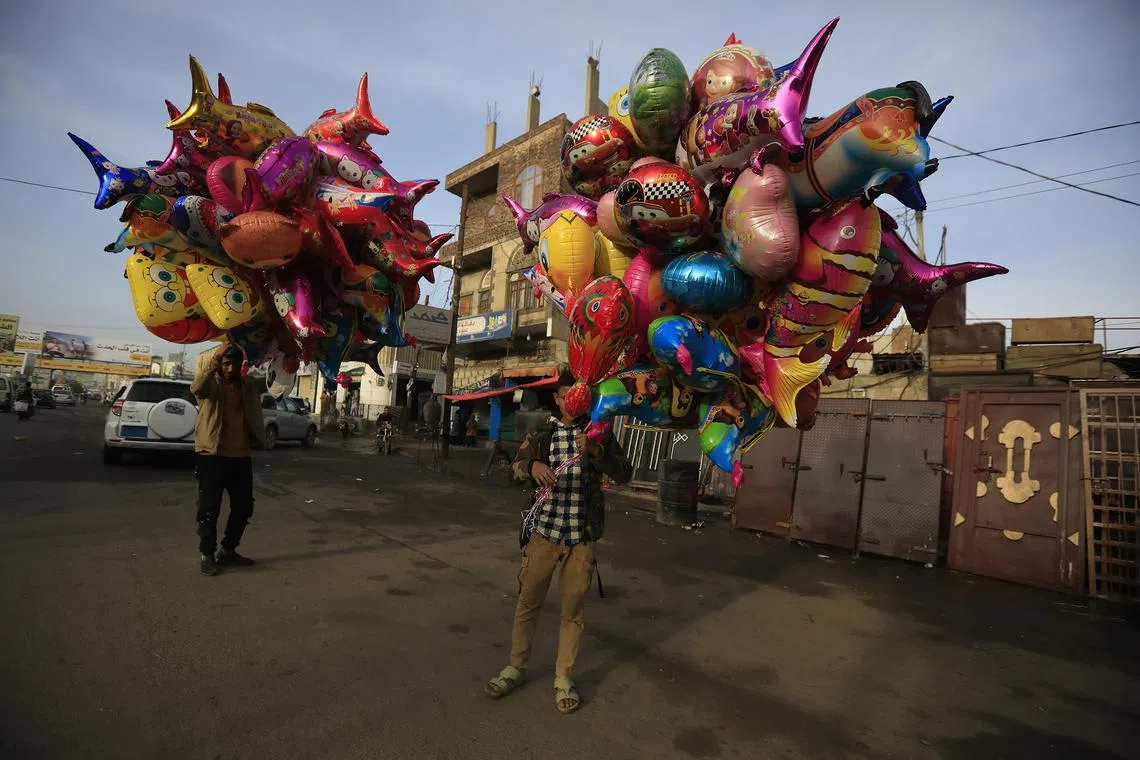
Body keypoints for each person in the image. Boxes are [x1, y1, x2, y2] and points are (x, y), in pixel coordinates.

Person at [484, 378, 632, 714]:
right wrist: (531, 466)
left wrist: (597, 451)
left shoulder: (600, 433)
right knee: (528, 603)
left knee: (572, 612)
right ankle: (516, 668)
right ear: (557, 399)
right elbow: (513, 470)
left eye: (579, 397)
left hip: (580, 539)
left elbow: (625, 473)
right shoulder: (541, 434)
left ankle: (563, 678)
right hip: (543, 536)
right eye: (567, 397)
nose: (572, 402)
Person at [190, 344, 265, 576]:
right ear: (219, 364)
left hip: (240, 456)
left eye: (235, 364)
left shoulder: (248, 385)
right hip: (211, 456)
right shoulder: (210, 385)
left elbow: (275, 381)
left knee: (244, 508)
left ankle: (228, 550)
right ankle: (207, 555)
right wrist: (214, 362)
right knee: (209, 509)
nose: (231, 368)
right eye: (226, 364)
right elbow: (196, 388)